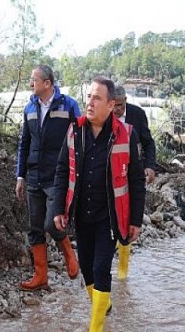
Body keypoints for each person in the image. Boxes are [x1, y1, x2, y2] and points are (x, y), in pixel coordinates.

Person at [52, 76, 146, 331]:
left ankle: (96, 328)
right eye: (89, 96)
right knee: (88, 271)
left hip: (110, 216)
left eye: (97, 98)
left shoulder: (126, 134)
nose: (90, 102)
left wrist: (135, 220)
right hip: (82, 213)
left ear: (110, 104)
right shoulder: (75, 132)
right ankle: (102, 305)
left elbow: (137, 181)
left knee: (102, 267)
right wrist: (58, 209)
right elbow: (62, 171)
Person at [15, 64, 82, 290]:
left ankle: (70, 256)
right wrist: (20, 176)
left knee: (52, 223)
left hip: (57, 176)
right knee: (35, 228)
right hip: (34, 175)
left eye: (33, 79)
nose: (30, 83)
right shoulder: (29, 109)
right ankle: (41, 277)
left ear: (47, 83)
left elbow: (79, 140)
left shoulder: (69, 105)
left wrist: (77, 173)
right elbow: (24, 143)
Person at [112, 84, 157, 280]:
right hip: (110, 176)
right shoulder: (102, 116)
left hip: (132, 173)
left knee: (126, 220)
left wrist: (150, 166)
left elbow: (148, 142)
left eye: (121, 106)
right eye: (114, 105)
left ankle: (123, 274)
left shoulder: (137, 115)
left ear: (125, 102)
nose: (117, 110)